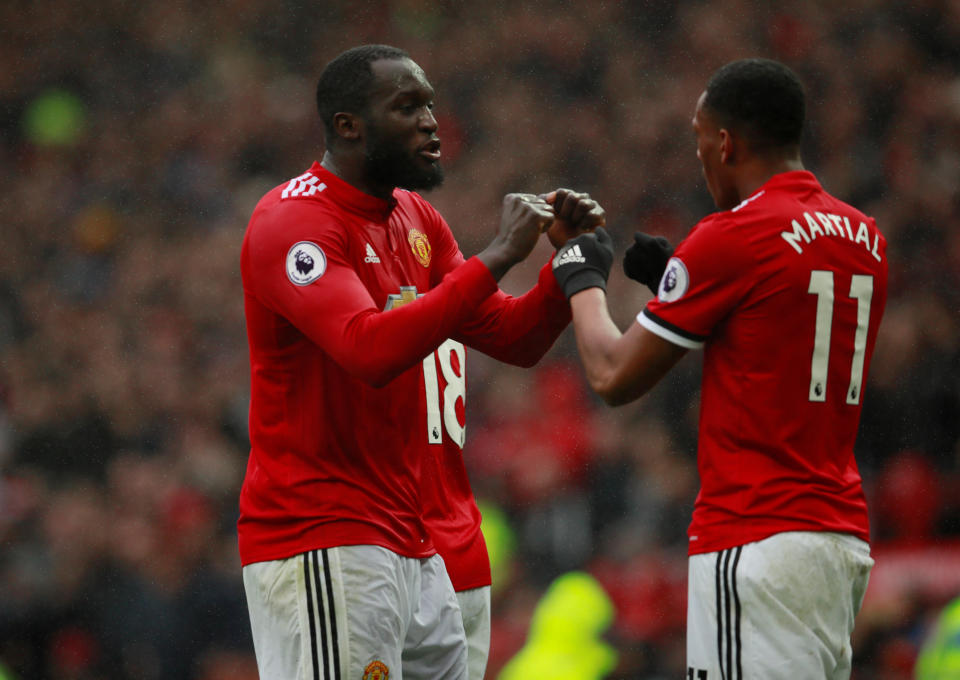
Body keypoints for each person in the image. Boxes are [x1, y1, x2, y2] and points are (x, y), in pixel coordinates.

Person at [237, 44, 603, 680]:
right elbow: (367, 348)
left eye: (430, 104)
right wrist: (498, 255)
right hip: (325, 533)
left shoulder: (416, 217)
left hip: (413, 538)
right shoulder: (294, 220)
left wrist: (562, 268)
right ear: (348, 124)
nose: (431, 120)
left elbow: (510, 336)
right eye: (407, 107)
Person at [551, 58, 888, 678]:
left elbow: (612, 375)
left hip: (753, 535)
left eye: (699, 137)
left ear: (725, 142)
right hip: (837, 540)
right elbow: (773, 337)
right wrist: (683, 282)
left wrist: (580, 273)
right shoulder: (864, 237)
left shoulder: (733, 235)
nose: (700, 154)